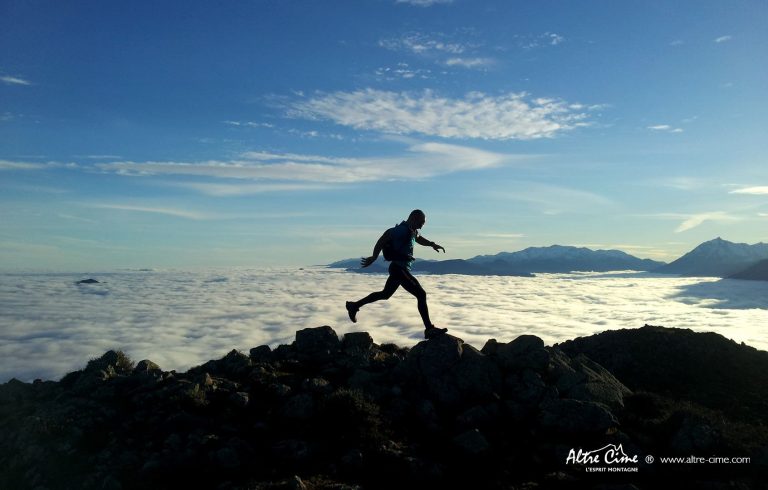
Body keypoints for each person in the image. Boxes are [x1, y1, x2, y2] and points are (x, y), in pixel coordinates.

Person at [345, 209, 449, 339]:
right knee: (421, 294)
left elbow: (418, 238)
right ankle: (429, 329)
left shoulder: (412, 231)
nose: (422, 225)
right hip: (398, 269)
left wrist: (432, 244)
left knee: (385, 294)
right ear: (413, 218)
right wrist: (374, 256)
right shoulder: (401, 229)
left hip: (399, 269)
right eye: (421, 222)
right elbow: (384, 237)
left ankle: (354, 305)